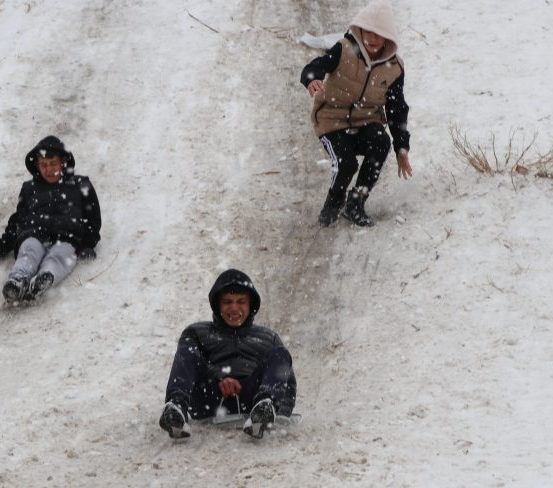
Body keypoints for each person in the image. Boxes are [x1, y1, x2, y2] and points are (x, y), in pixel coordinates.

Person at [300, 0, 412, 228]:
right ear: (360, 29)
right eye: (368, 32)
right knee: (346, 163)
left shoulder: (394, 68)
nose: (371, 38)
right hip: (331, 121)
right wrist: (312, 78)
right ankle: (333, 202)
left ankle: (356, 203)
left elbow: (396, 109)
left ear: (388, 38)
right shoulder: (344, 49)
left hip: (365, 121)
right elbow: (316, 65)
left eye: (378, 34)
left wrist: (402, 147)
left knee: (381, 142)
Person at [159, 269, 297, 440]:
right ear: (218, 305)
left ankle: (264, 410)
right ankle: (175, 411)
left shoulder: (269, 338)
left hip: (251, 399)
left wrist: (282, 414)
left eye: (241, 302)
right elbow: (188, 365)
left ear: (250, 305)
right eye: (227, 302)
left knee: (280, 354)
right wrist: (219, 378)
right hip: (209, 398)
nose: (234, 308)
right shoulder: (196, 332)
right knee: (187, 352)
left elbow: (287, 382)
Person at [0, 136, 101, 301]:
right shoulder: (30, 189)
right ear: (37, 166)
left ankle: (44, 278)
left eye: (53, 164)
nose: (49, 169)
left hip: (67, 238)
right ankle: (17, 280)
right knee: (29, 251)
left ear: (63, 161)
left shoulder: (81, 185)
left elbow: (92, 219)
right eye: (43, 165)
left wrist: (87, 245)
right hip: (35, 234)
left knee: (60, 255)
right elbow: (16, 222)